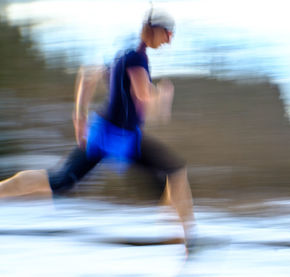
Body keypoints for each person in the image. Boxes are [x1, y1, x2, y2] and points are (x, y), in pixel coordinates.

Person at [0, 9, 195, 251]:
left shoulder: (121, 55)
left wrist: (79, 117)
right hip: (116, 138)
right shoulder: (137, 58)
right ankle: (189, 239)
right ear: (153, 30)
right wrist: (164, 96)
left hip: (111, 135)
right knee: (175, 171)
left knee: (59, 181)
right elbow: (143, 95)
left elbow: (86, 76)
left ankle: (180, 235)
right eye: (168, 33)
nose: (170, 39)